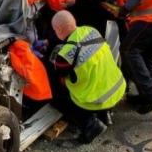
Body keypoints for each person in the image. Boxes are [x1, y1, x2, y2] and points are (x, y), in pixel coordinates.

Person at [50, 10, 126, 144]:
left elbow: (60, 76)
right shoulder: (91, 31)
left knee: (57, 96)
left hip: (97, 99)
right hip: (117, 88)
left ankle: (90, 125)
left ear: (59, 29)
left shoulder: (65, 54)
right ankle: (105, 114)